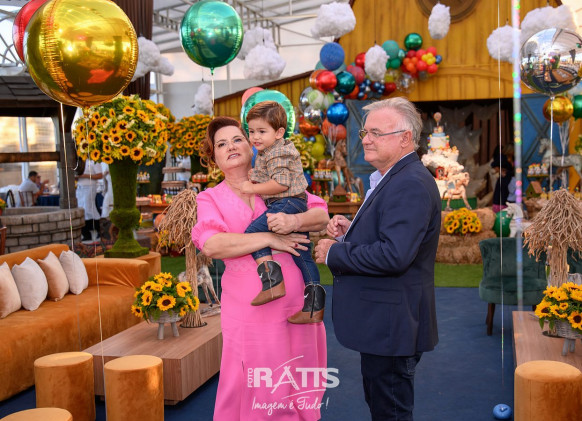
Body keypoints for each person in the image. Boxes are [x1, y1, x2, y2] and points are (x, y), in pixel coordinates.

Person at [191, 116, 328, 420]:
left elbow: (320, 215)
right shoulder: (209, 197)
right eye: (221, 144)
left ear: (252, 144)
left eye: (237, 139)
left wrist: (293, 221)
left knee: (298, 373)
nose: (231, 146)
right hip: (248, 309)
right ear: (214, 157)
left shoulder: (275, 182)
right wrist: (268, 238)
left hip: (296, 304)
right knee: (254, 379)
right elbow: (212, 244)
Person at [314, 97, 441, 421]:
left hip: (391, 326)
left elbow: (394, 255)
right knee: (383, 406)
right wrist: (351, 232)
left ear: (405, 138)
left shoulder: (408, 183)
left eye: (376, 133)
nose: (366, 139)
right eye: (365, 133)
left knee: (390, 412)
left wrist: (335, 252)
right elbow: (392, 239)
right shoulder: (395, 178)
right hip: (387, 324)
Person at [240, 101, 325, 323]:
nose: (255, 137)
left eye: (261, 131)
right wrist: (255, 176)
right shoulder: (269, 150)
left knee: (252, 233)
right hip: (294, 203)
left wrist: (252, 188)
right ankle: (314, 306)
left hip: (286, 202)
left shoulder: (277, 152)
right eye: (251, 131)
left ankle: (272, 282)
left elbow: (281, 183)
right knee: (301, 252)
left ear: (278, 133)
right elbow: (270, 174)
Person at [76, 159, 103, 243]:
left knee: (89, 209)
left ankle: (99, 230)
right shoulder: (79, 162)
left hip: (89, 187)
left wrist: (85, 175)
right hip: (80, 187)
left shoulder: (93, 161)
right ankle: (86, 233)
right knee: (81, 209)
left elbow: (100, 175)